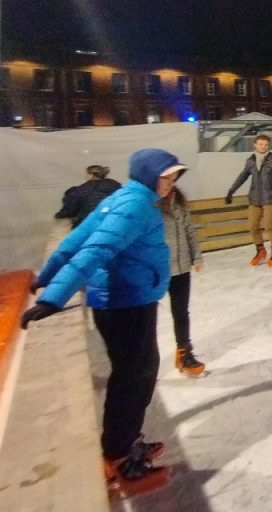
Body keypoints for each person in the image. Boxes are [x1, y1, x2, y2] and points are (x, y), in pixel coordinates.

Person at [22, 149, 187, 499]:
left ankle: (127, 442)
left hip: (126, 298)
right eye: (165, 176)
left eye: (174, 177)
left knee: (137, 372)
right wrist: (53, 296)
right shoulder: (134, 205)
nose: (170, 184)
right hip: (127, 302)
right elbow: (94, 249)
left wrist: (47, 277)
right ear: (148, 173)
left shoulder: (125, 196)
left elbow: (75, 239)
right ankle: (120, 459)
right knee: (134, 376)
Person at [225, 134, 272, 267]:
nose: (263, 147)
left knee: (268, 225)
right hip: (254, 198)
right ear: (255, 145)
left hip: (270, 198)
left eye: (266, 144)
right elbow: (242, 177)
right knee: (252, 226)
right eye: (261, 144)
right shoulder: (250, 161)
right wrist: (231, 191)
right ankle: (260, 250)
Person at [162, 184, 206, 377]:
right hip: (159, 269)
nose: (168, 183)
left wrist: (196, 256)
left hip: (181, 267)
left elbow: (189, 230)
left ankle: (184, 352)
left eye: (171, 178)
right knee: (147, 317)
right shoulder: (149, 205)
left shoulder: (178, 202)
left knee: (180, 312)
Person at [55, 164, 121, 228]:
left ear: (91, 175)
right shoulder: (116, 186)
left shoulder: (79, 190)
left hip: (87, 224)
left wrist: (59, 215)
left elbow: (69, 211)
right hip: (114, 222)